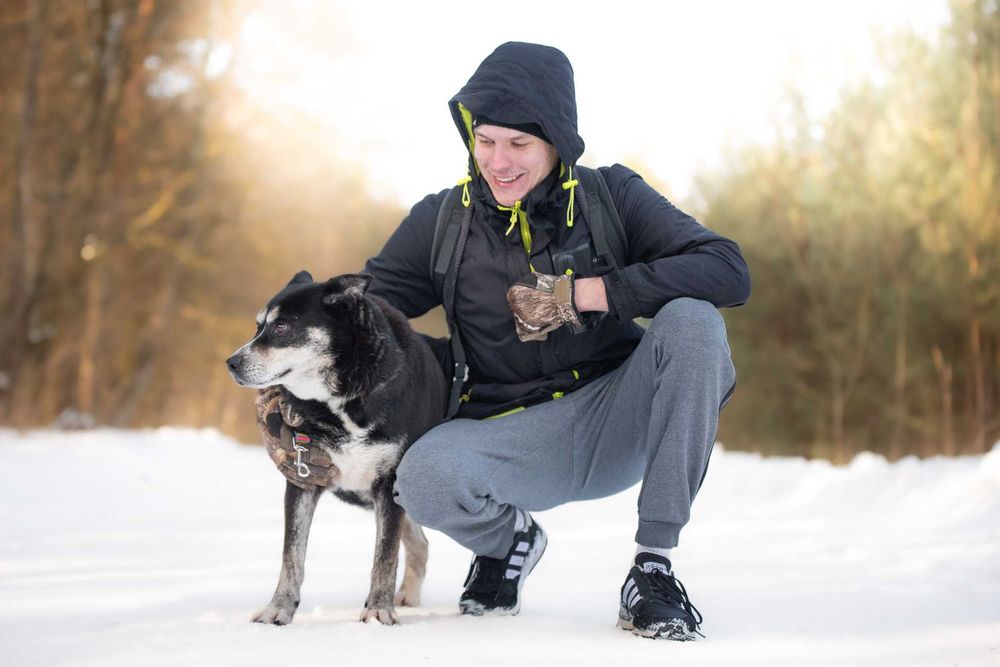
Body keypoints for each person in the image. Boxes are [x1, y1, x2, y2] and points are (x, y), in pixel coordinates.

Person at [258, 41, 749, 641]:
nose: (499, 160)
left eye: (520, 143)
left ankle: (652, 569)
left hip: (620, 417)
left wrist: (590, 293)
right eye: (485, 140)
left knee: (695, 322)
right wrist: (294, 379)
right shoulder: (441, 223)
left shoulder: (610, 198)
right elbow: (361, 322)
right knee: (423, 475)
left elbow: (727, 269)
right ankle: (509, 544)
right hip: (508, 435)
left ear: (557, 143)